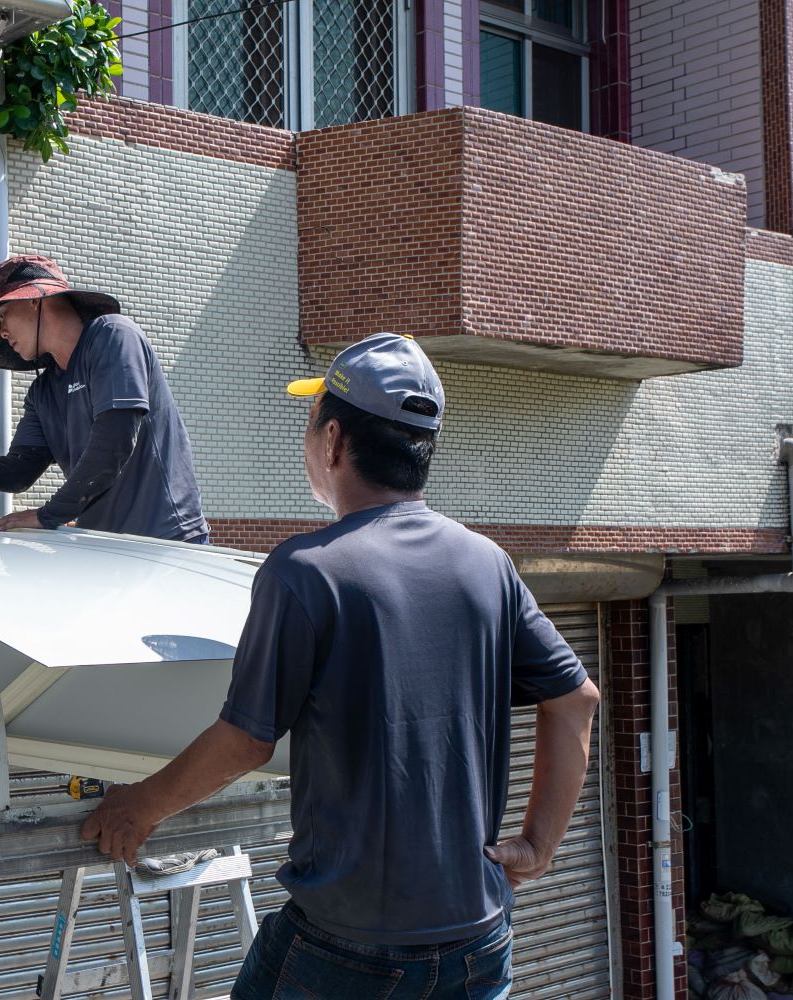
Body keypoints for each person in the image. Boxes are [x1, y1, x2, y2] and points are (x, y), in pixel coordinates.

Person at [80, 333, 601, 998]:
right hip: (481, 936)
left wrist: (140, 807)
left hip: (349, 952)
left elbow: (246, 740)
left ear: (332, 441)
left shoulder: (306, 571)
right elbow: (577, 698)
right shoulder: (486, 565)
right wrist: (539, 847)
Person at [0, 255, 209, 542]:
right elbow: (16, 473)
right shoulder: (43, 392)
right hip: (106, 547)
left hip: (168, 541)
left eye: (3, 316)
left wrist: (51, 514)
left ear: (36, 300)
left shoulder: (112, 336)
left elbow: (116, 438)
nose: (2, 333)